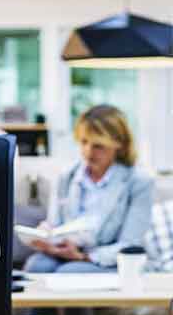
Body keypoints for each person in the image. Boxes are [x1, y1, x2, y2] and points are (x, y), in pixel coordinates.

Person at [24, 104, 153, 274]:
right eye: (84, 142)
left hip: (109, 261)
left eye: (98, 146)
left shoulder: (138, 181)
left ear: (119, 144)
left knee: (69, 272)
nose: (88, 152)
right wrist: (46, 235)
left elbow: (131, 245)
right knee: (36, 266)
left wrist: (84, 257)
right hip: (66, 252)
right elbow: (55, 224)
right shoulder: (67, 175)